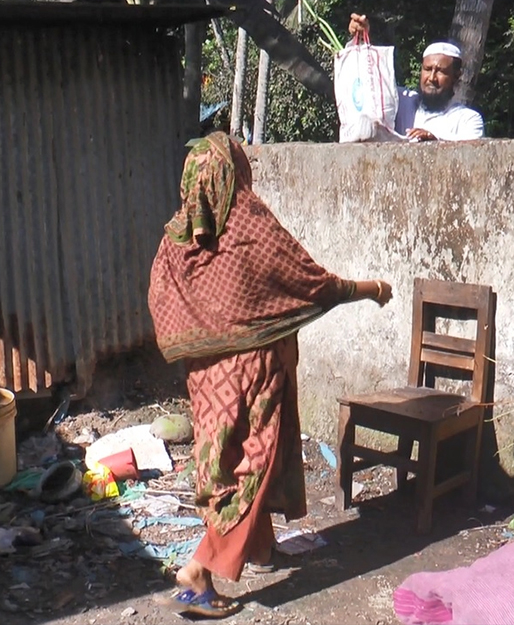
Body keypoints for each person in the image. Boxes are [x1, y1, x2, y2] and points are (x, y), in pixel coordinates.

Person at [147, 131, 393, 618]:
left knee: (226, 457)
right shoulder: (247, 221)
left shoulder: (174, 238)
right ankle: (198, 571)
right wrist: (371, 287)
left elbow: (162, 304)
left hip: (206, 376)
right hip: (257, 370)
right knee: (252, 465)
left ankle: (259, 549)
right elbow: (309, 280)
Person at [348, 13, 485, 142]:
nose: (432, 78)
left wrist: (434, 139)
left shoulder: (468, 119)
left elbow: (472, 152)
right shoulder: (402, 101)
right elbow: (367, 82)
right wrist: (360, 37)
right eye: (427, 69)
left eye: (440, 71)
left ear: (456, 76)